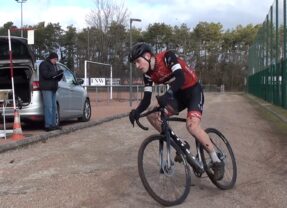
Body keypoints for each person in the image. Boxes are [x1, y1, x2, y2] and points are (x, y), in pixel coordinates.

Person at [128, 42, 224, 180]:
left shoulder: (167, 57)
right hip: (178, 95)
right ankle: (180, 144)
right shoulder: (148, 75)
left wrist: (167, 95)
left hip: (193, 91)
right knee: (152, 114)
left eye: (138, 61)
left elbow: (180, 77)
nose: (137, 66)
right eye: (134, 63)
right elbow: (147, 99)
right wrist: (136, 112)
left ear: (148, 56)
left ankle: (216, 160)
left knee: (192, 126)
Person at [39, 52, 63, 131]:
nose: (55, 61)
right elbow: (46, 75)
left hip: (53, 88)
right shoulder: (43, 64)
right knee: (48, 107)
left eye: (56, 59)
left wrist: (59, 75)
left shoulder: (54, 65)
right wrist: (56, 73)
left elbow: (54, 76)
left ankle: (53, 124)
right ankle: (48, 125)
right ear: (51, 58)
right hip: (46, 88)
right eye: (55, 59)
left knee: (54, 107)